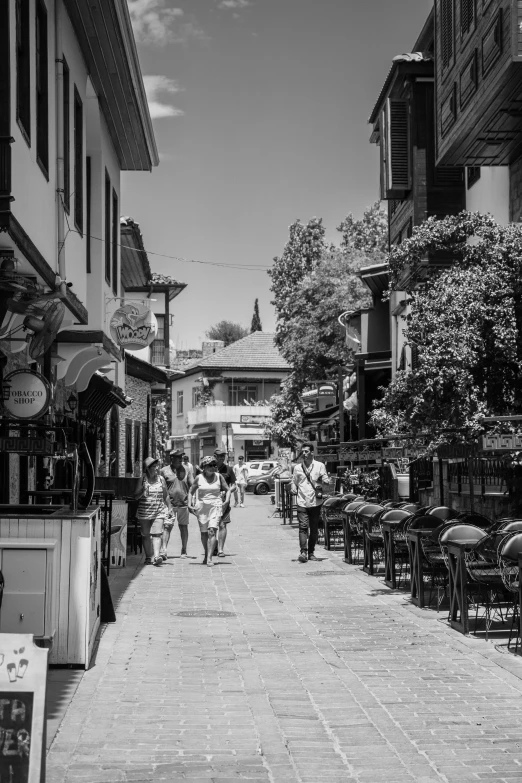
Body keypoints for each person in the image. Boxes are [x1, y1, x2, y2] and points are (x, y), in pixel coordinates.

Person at [290, 443, 330, 563]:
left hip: (315, 502)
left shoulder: (320, 466)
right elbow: (294, 481)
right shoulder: (297, 468)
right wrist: (293, 487)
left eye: (307, 451)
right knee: (302, 527)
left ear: (312, 453)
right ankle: (303, 551)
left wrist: (326, 481)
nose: (304, 454)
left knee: (313, 529)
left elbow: (326, 481)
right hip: (302, 501)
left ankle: (311, 552)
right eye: (303, 452)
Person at [188, 456, 231, 566]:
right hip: (202, 507)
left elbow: (228, 489)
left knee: (212, 531)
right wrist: (189, 504)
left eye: (214, 465)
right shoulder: (199, 478)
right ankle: (207, 553)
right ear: (204, 467)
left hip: (215, 506)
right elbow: (190, 492)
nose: (213, 467)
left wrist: (226, 501)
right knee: (204, 534)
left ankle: (210, 558)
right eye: (210, 465)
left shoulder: (219, 476)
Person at [134, 457, 172, 566]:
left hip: (158, 511)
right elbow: (136, 496)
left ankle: (156, 557)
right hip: (144, 512)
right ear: (148, 469)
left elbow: (166, 495)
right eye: (154, 467)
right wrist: (143, 490)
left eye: (157, 466)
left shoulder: (161, 479)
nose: (157, 468)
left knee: (157, 534)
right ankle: (148, 557)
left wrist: (169, 508)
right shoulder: (142, 479)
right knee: (146, 535)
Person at [161, 449, 192, 559]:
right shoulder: (164, 471)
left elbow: (192, 485)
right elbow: (161, 488)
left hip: (183, 504)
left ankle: (184, 550)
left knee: (183, 527)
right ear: (172, 458)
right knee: (167, 527)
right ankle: (163, 550)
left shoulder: (187, 470)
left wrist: (193, 500)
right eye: (178, 457)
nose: (180, 459)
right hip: (169, 505)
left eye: (181, 457)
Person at [214, 448, 236, 555]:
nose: (222, 458)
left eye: (223, 456)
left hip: (224, 502)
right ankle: (213, 545)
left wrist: (228, 491)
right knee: (212, 526)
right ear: (215, 456)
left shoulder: (229, 469)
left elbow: (234, 485)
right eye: (220, 456)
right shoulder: (209, 468)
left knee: (222, 525)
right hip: (211, 501)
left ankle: (220, 549)